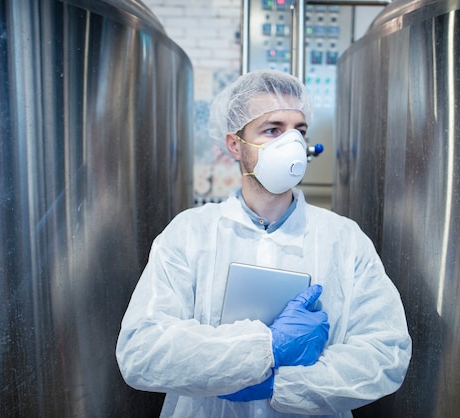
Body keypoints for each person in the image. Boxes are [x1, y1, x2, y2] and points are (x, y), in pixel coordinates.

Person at [116, 69, 411, 418]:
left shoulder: (344, 239)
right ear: (235, 145)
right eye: (272, 130)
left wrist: (281, 386)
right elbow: (142, 351)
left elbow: (385, 354)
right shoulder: (190, 234)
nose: (291, 144)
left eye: (298, 131)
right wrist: (267, 347)